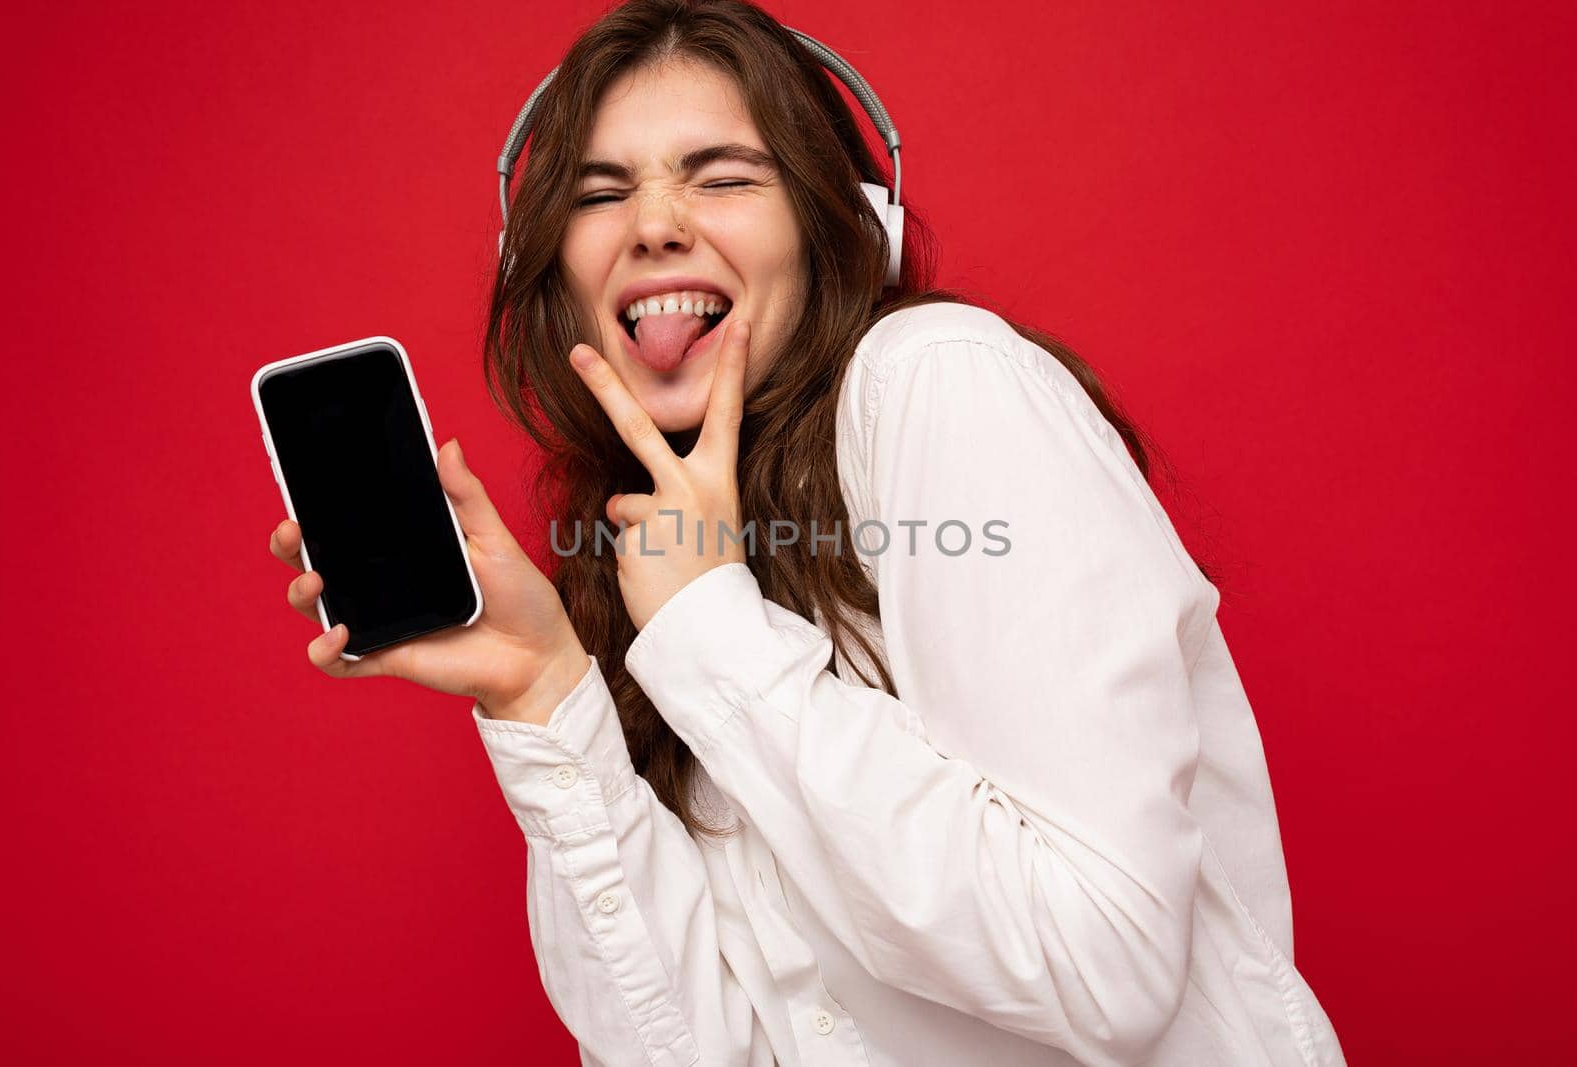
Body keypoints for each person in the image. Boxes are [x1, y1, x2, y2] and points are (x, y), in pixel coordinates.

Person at [265, 1, 1347, 1063]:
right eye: (600, 195)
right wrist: (545, 694)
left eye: (725, 176)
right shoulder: (658, 556)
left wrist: (710, 631)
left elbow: (1103, 966)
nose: (654, 224)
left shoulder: (935, 376)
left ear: (845, 226)